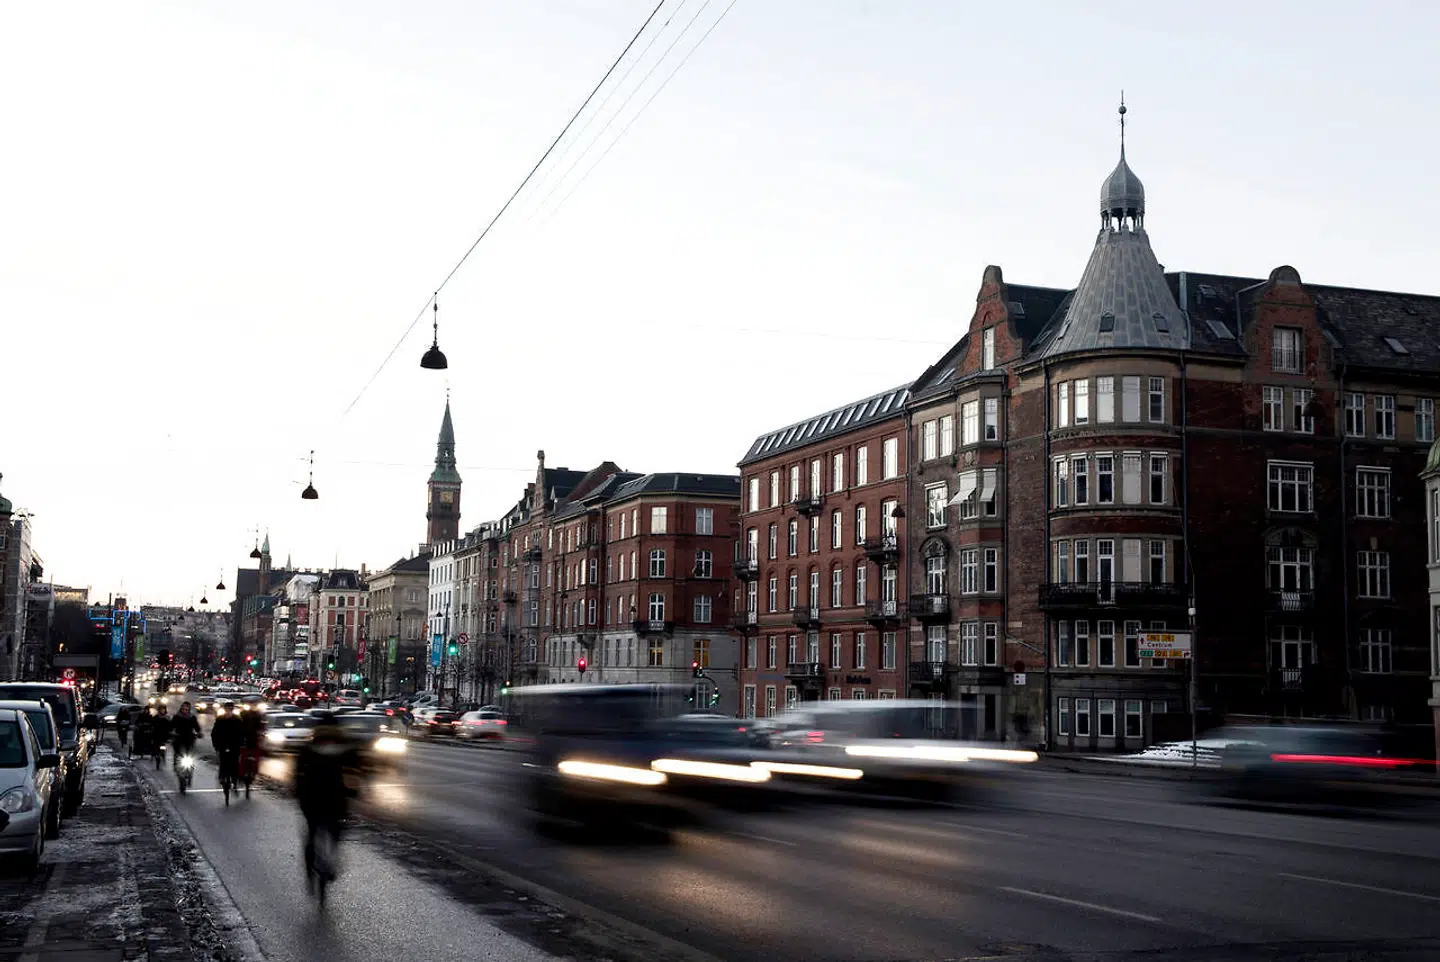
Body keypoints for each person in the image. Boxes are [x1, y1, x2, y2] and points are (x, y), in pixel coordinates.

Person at [294, 712, 359, 891]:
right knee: (335, 832)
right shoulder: (347, 747)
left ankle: (309, 868)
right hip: (336, 798)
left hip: (311, 797)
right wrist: (354, 792)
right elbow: (354, 773)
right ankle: (330, 860)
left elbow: (298, 773)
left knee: (312, 832)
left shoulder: (308, 747)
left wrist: (298, 792)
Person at [210, 703, 245, 791]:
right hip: (222, 745)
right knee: (223, 762)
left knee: (235, 763)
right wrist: (216, 744)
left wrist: (241, 742)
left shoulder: (237, 719)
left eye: (230, 709)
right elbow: (214, 733)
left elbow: (241, 732)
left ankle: (235, 780)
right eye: (227, 709)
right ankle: (222, 778)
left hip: (234, 745)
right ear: (225, 710)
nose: (229, 711)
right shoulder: (220, 719)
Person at [169, 702, 202, 779]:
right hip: (179, 739)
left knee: (190, 754)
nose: (185, 710)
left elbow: (197, 727)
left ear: (189, 709)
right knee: (177, 752)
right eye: (183, 709)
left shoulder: (192, 718)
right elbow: (170, 727)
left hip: (189, 739)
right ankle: (176, 765)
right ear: (181, 708)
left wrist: (199, 733)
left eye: (186, 709)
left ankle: (190, 769)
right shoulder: (176, 717)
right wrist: (171, 733)